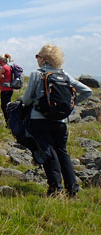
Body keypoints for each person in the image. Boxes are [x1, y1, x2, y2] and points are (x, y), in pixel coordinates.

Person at [22, 44, 91, 197]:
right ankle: (72, 189)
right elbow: (87, 91)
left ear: (44, 59)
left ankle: (55, 189)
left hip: (39, 120)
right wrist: (71, 104)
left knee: (48, 152)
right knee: (62, 152)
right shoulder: (64, 75)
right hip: (61, 121)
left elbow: (26, 99)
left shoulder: (36, 74)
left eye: (37, 56)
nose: (37, 59)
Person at [0, 53, 14, 124]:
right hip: (9, 89)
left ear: (0, 61)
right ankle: (9, 122)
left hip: (5, 90)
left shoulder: (4, 68)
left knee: (4, 107)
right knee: (6, 106)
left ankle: (9, 122)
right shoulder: (8, 67)